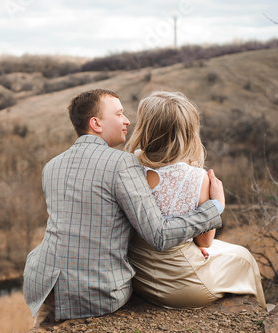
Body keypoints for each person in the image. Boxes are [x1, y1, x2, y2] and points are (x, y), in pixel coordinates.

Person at [23, 89, 225, 327]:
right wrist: (214, 208)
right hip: (96, 294)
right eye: (119, 113)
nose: (127, 120)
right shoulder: (123, 163)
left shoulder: (51, 166)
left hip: (43, 282)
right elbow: (158, 235)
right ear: (96, 123)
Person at [126, 91, 266, 309]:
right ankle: (260, 317)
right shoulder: (197, 178)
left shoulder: (127, 166)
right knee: (244, 257)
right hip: (181, 287)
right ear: (189, 132)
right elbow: (204, 242)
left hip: (138, 276)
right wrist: (216, 205)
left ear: (144, 127)